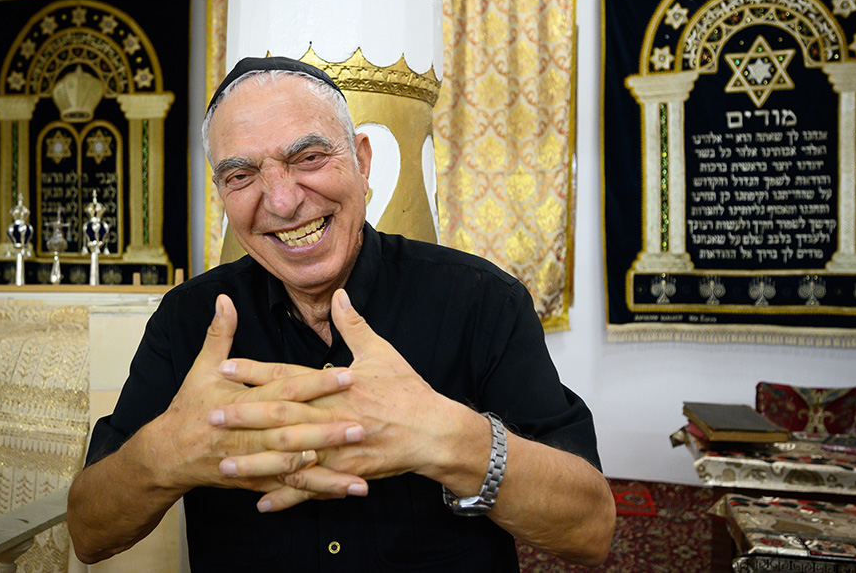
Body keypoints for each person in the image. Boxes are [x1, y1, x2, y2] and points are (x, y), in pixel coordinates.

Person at [67, 56, 616, 572]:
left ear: (362, 162)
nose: (281, 201)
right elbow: (90, 534)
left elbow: (590, 531)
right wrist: (168, 452)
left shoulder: (480, 301)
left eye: (307, 158)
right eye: (241, 176)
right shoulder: (190, 319)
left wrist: (448, 438)